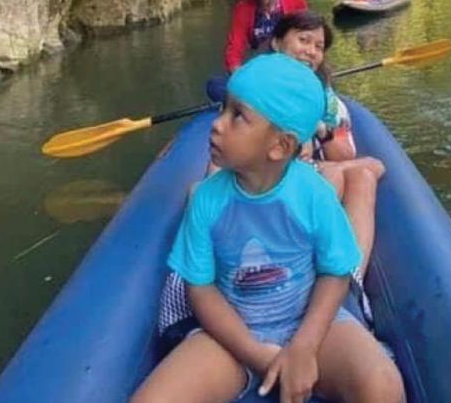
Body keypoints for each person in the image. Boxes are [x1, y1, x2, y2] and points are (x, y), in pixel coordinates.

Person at [131, 54, 404, 403]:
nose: (217, 124)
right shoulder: (206, 200)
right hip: (233, 337)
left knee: (383, 386)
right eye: (222, 110)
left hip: (312, 325)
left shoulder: (314, 193)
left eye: (237, 116)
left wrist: (304, 347)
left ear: (280, 146)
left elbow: (335, 273)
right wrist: (256, 353)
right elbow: (201, 291)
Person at [270, 11, 385, 274]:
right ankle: (305, 267)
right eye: (303, 40)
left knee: (366, 174)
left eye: (319, 47)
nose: (311, 51)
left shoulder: (323, 95)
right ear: (277, 42)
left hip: (301, 170)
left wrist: (322, 129)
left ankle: (350, 277)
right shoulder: (258, 88)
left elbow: (343, 154)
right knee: (355, 170)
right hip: (268, 177)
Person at [208, 0, 306, 103]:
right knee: (214, 85)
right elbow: (234, 49)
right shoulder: (243, 9)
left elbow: (307, 40)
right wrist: (240, 77)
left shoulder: (295, 2)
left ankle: (259, 102)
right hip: (261, 75)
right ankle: (262, 99)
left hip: (291, 72)